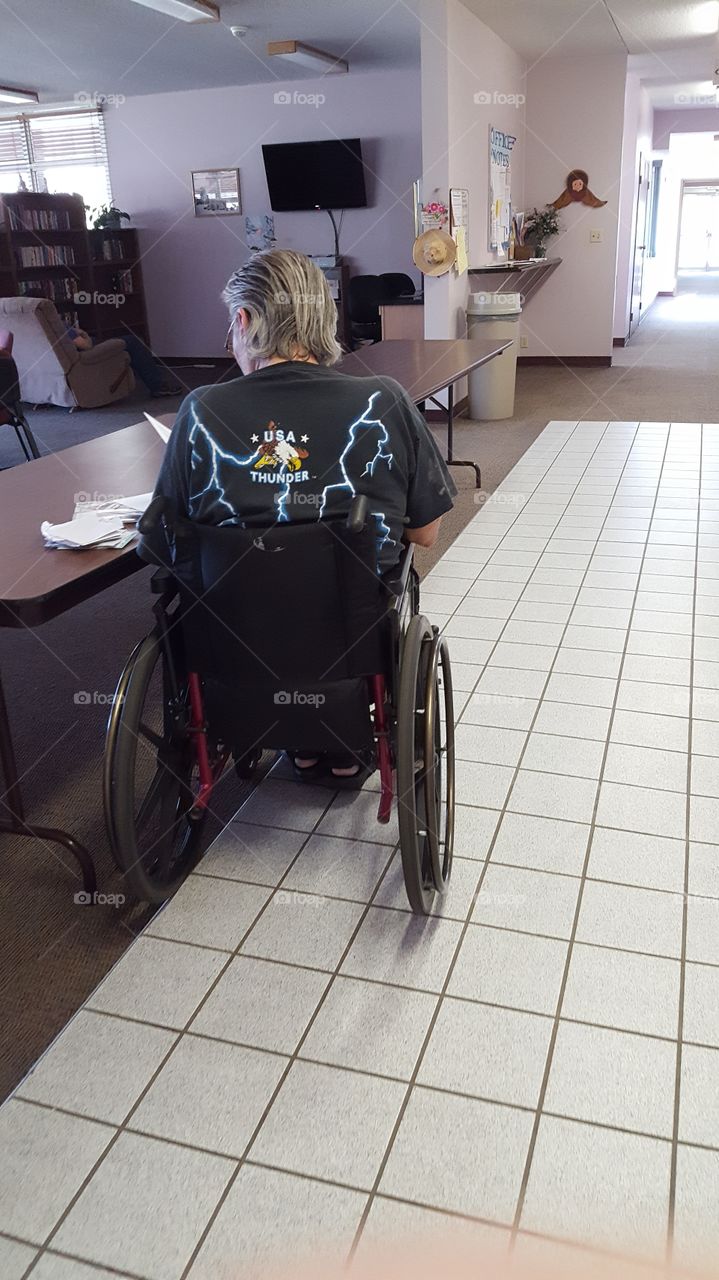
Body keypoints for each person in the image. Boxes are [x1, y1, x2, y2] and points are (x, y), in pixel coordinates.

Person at [146, 247, 456, 777]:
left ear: (244, 321)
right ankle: (341, 736)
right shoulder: (384, 400)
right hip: (351, 640)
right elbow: (425, 532)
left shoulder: (200, 409)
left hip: (231, 642)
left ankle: (279, 735)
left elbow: (157, 542)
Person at [67, 326, 181, 397]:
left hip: (80, 354)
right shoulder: (58, 326)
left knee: (123, 340)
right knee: (133, 341)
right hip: (90, 351)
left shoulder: (49, 331)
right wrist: (84, 335)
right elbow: (86, 345)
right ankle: (158, 386)